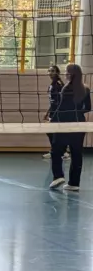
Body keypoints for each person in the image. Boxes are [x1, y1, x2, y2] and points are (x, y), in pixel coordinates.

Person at [49, 63, 90, 192]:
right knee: (76, 153)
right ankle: (74, 183)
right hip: (80, 124)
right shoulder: (86, 89)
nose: (65, 74)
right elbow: (88, 107)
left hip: (65, 124)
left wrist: (52, 120)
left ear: (71, 74)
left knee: (56, 151)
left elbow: (61, 108)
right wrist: (77, 112)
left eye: (67, 72)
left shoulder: (66, 89)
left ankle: (58, 176)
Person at [42, 65, 65, 160]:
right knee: (51, 132)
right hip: (53, 111)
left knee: (54, 133)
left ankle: (60, 152)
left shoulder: (58, 85)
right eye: (49, 71)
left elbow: (60, 101)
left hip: (58, 112)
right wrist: (47, 112)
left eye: (53, 71)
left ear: (57, 73)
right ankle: (59, 151)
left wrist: (55, 113)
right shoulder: (52, 84)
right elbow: (52, 101)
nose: (50, 73)